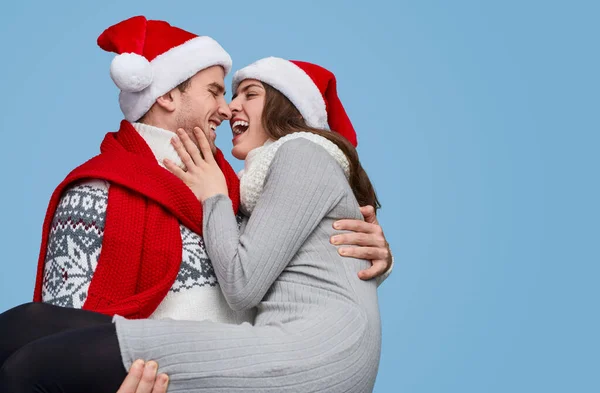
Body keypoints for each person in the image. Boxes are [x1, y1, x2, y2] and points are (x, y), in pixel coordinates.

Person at [0, 17, 392, 392]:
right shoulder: (96, 194)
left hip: (245, 367)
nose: (227, 108)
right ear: (168, 94)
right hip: (163, 372)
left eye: (242, 94)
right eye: (217, 91)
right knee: (25, 333)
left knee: (29, 365)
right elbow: (66, 348)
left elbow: (284, 271)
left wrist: (367, 250)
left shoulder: (236, 194)